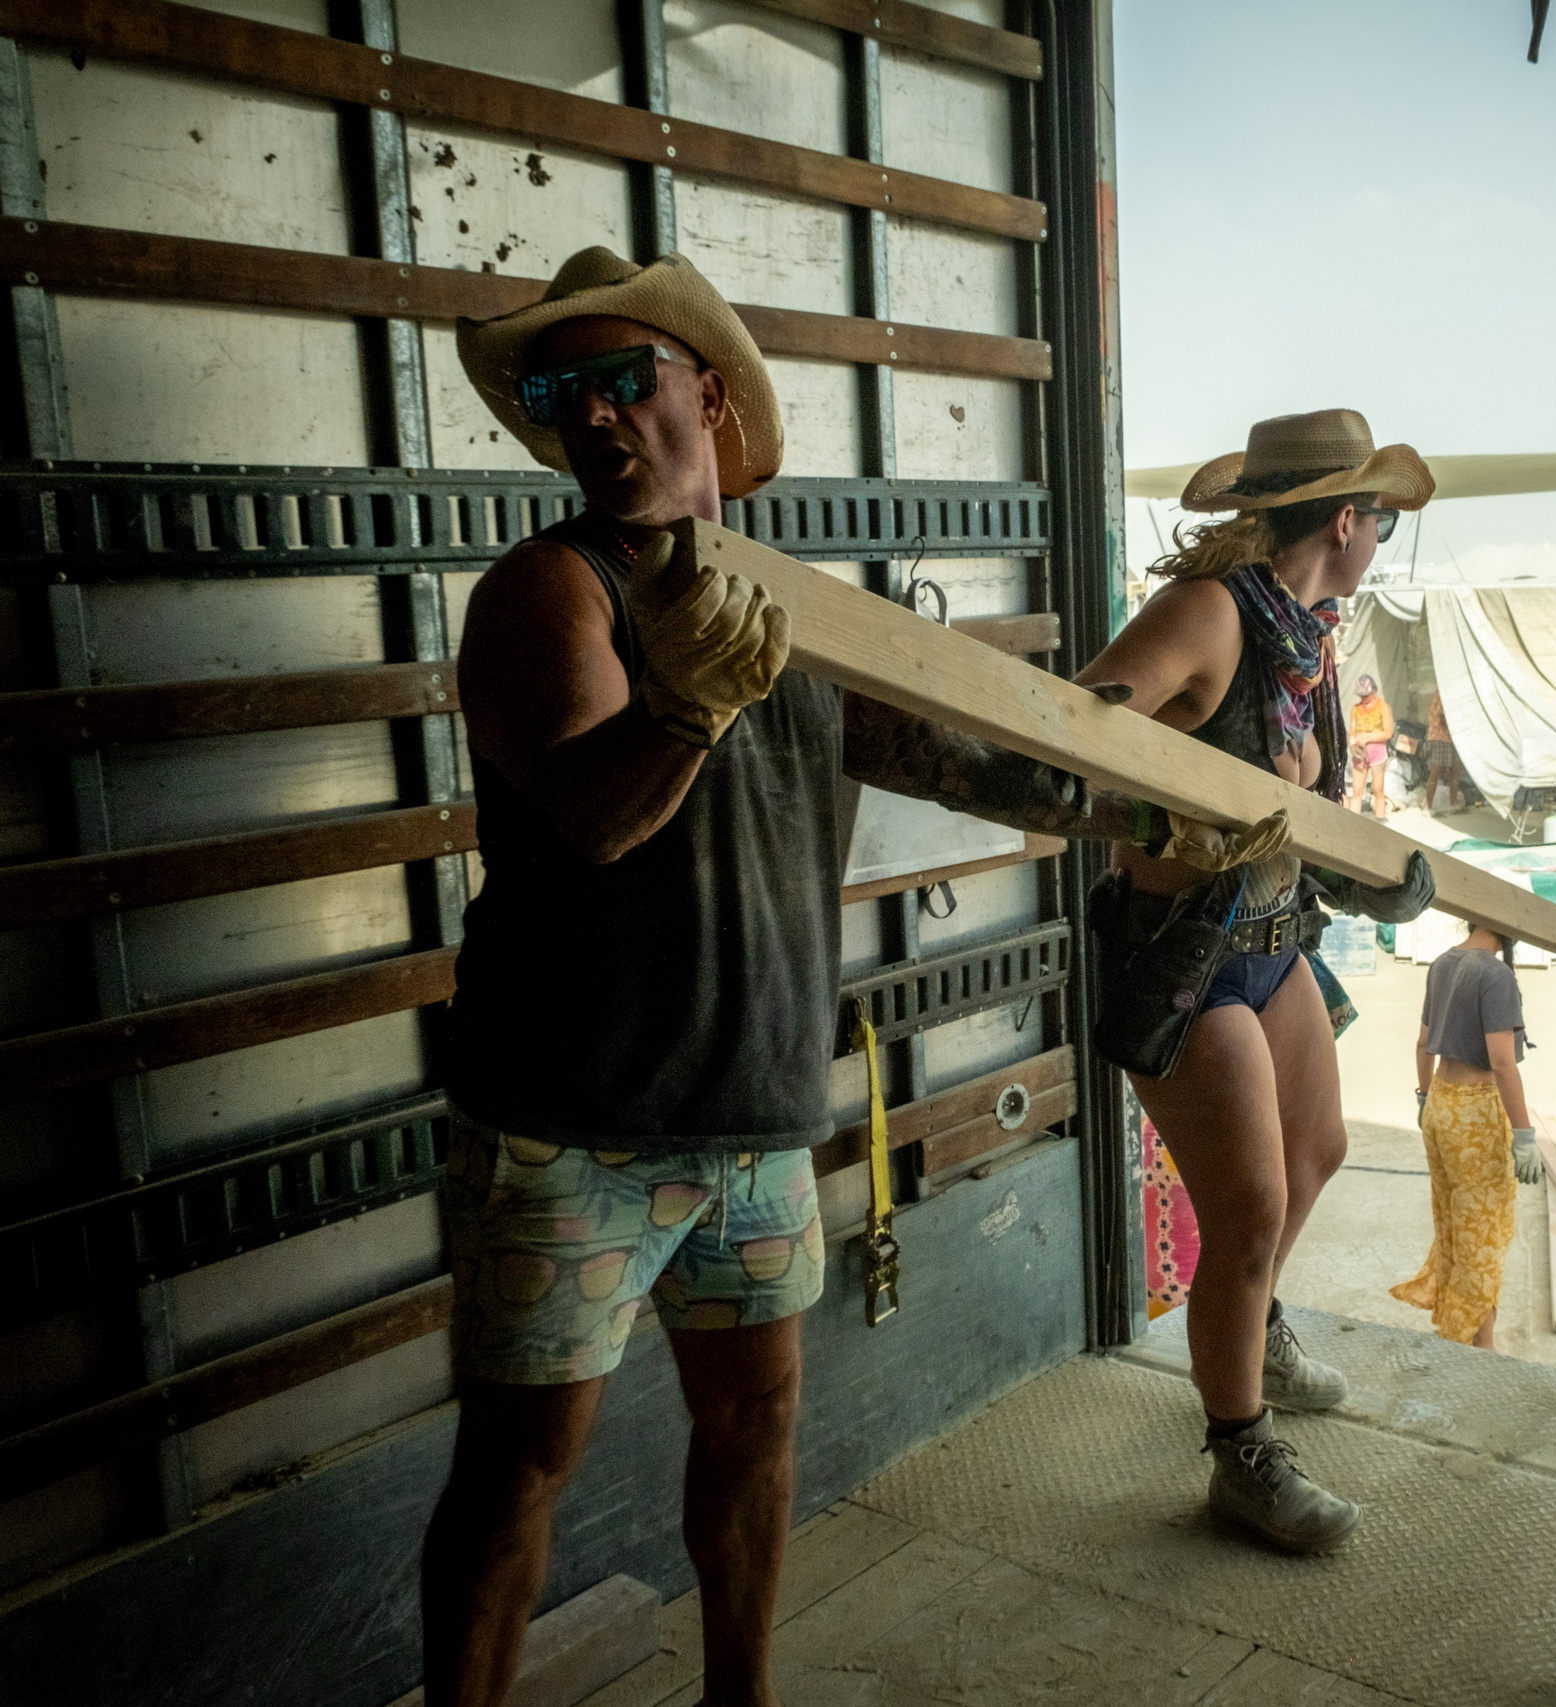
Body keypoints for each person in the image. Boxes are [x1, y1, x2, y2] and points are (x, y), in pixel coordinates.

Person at [431, 248, 1140, 1707]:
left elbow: (965, 755)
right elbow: (599, 816)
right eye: (569, 395)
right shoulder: (545, 593)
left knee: (755, 1433)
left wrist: (1128, 791)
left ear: (707, 392)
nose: (601, 418)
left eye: (631, 380)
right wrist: (690, 696)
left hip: (751, 1114)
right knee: (518, 1471)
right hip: (572, 1127)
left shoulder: (795, 611)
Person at [1075, 408, 1437, 1555]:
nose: (1380, 534)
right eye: (1379, 516)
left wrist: (1370, 869)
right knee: (1247, 1208)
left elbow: (1304, 808)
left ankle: (1250, 1328)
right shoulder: (1210, 616)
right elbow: (1074, 739)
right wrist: (1173, 804)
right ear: (1347, 518)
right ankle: (1239, 1451)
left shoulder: (1306, 637)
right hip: (1181, 950)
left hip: (1273, 930)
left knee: (1317, 1154)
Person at [1396, 920, 1542, 1347]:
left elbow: (1424, 1042)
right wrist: (1524, 1132)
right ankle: (1478, 1349)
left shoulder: (1444, 963)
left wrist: (1425, 1098)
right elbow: (1501, 1062)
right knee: (1482, 1235)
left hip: (1441, 1100)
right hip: (1475, 1116)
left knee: (1453, 1227)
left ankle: (1460, 1333)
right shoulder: (1495, 975)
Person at [1346, 672, 1395, 818]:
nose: (1363, 699)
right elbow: (1352, 732)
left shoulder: (1382, 707)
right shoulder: (1355, 709)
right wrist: (1352, 743)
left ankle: (1380, 821)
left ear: (1373, 691)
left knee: (1378, 790)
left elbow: (1388, 733)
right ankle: (1352, 823)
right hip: (1360, 753)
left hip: (1377, 752)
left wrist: (1368, 737)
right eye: (1361, 696)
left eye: (1366, 695)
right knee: (1357, 791)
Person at [1420, 688, 1465, 813]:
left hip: (1451, 737)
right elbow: (1444, 717)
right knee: (1437, 770)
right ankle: (1428, 807)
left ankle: (1453, 802)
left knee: (1455, 770)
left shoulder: (1445, 693)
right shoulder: (1442, 695)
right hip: (1440, 737)